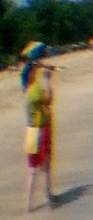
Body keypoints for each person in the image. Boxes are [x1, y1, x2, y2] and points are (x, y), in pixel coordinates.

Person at [21, 61, 55, 211]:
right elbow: (48, 100)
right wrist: (47, 79)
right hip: (40, 130)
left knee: (32, 169)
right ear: (33, 74)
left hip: (31, 131)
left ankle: (28, 204)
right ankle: (47, 197)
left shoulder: (27, 90)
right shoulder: (35, 89)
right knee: (45, 166)